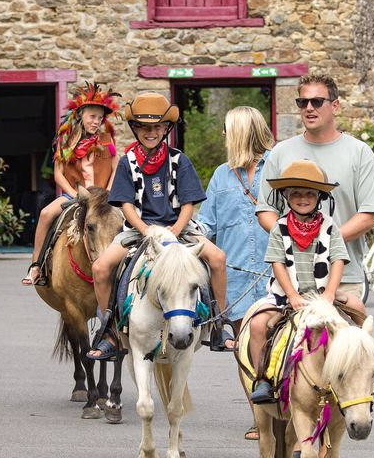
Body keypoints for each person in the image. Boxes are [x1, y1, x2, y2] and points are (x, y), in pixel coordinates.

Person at [256, 72, 374, 458]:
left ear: (335, 105)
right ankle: (268, 395)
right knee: (267, 332)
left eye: (317, 101)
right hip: (292, 274)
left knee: (358, 324)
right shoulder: (281, 153)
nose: (309, 108)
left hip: (337, 274)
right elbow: (265, 209)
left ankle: (363, 383)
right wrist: (293, 238)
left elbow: (369, 212)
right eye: (302, 102)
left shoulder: (358, 153)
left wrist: (326, 240)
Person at [86, 91, 227, 360]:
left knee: (217, 258)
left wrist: (175, 230)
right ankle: (108, 333)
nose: (151, 132)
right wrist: (145, 231)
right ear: (135, 128)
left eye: (157, 126)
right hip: (138, 230)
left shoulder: (179, 160)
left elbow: (188, 203)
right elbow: (126, 204)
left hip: (180, 228)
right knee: (101, 267)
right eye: (144, 126)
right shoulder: (127, 162)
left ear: (166, 128)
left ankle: (220, 322)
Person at [245, 160, 352, 405]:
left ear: (319, 197)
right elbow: (277, 263)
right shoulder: (279, 228)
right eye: (296, 193)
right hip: (286, 295)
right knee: (259, 324)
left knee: (358, 310)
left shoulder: (329, 226)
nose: (302, 198)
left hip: (322, 294)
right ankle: (263, 378)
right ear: (286, 196)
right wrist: (292, 295)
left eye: (309, 193)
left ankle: (366, 365)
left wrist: (330, 294)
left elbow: (338, 260)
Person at [198, 106, 274, 440]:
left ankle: (286, 414)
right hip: (236, 279)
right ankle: (262, 419)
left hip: (277, 275)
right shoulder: (220, 176)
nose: (224, 137)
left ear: (242, 133)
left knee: (282, 348)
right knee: (246, 350)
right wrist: (177, 235)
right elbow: (206, 224)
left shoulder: (279, 166)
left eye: (229, 130)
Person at [22, 82, 120, 286]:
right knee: (46, 214)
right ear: (81, 115)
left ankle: (129, 264)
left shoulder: (106, 139)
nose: (96, 121)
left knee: (125, 218)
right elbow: (58, 174)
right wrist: (74, 195)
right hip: (74, 194)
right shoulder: (66, 140)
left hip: (102, 196)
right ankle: (36, 265)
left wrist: (109, 191)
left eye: (100, 118)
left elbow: (116, 167)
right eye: (92, 116)